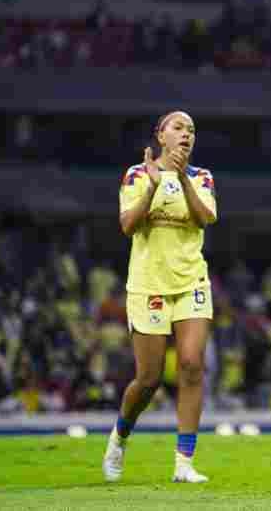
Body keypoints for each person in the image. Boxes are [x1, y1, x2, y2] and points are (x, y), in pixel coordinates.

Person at [103, 110, 217, 484]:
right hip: (149, 283)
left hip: (191, 282)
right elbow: (127, 225)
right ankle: (119, 437)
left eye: (192, 130)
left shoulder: (201, 177)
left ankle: (184, 462)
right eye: (179, 127)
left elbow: (205, 218)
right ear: (161, 136)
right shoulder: (136, 175)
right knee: (149, 378)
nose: (187, 134)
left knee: (191, 365)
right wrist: (153, 186)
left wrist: (181, 178)